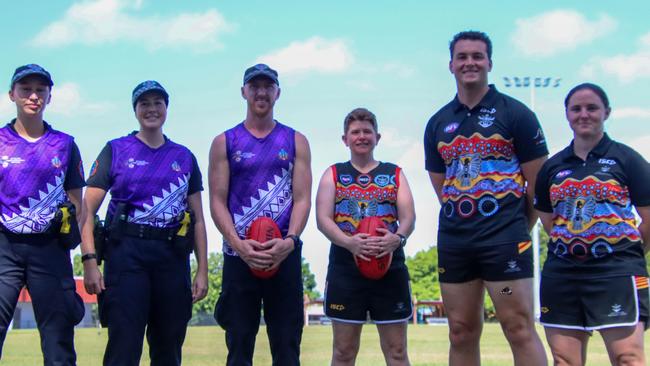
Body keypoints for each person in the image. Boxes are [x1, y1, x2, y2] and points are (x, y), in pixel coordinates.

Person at [423, 31, 548, 366]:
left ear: (489, 62)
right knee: (461, 330)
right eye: (462, 57)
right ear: (451, 65)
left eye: (477, 56)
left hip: (504, 246)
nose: (470, 63)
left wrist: (517, 226)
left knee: (517, 325)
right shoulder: (438, 122)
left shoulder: (516, 114)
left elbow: (540, 185)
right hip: (457, 246)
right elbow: (442, 187)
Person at [80, 80, 208, 366]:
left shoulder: (184, 157)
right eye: (144, 104)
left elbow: (198, 220)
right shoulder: (115, 150)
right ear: (135, 110)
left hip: (172, 257)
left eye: (157, 103)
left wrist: (202, 270)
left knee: (168, 347)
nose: (151, 109)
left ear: (166, 108)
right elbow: (86, 211)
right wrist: (89, 261)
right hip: (126, 255)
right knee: (124, 347)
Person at [534, 83, 650, 366]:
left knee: (628, 358)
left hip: (616, 273)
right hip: (563, 274)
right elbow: (550, 222)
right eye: (576, 108)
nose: (584, 114)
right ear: (567, 114)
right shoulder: (553, 166)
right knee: (564, 361)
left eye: (592, 108)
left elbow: (649, 219)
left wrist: (626, 253)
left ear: (606, 112)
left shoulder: (627, 159)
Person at [209, 64, 311, 366]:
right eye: (255, 86)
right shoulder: (225, 141)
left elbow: (302, 198)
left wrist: (290, 240)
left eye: (268, 86)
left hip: (284, 254)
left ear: (278, 92)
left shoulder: (296, 140)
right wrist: (237, 243)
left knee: (287, 345)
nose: (261, 92)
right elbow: (217, 200)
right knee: (239, 345)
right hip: (239, 254)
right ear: (244, 92)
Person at [0, 64, 85, 365]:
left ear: (50, 97)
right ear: (12, 94)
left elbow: (78, 204)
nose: (33, 96)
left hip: (49, 248)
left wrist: (68, 236)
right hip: (4, 247)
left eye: (40, 90)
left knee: (58, 337)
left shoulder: (65, 145)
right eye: (26, 89)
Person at [316, 108, 415, 366]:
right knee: (343, 352)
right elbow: (323, 219)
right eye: (355, 132)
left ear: (377, 137)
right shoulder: (333, 174)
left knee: (396, 351)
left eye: (367, 131)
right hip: (346, 267)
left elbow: (408, 217)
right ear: (345, 139)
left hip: (389, 265)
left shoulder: (394, 173)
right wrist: (349, 242)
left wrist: (398, 238)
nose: (361, 136)